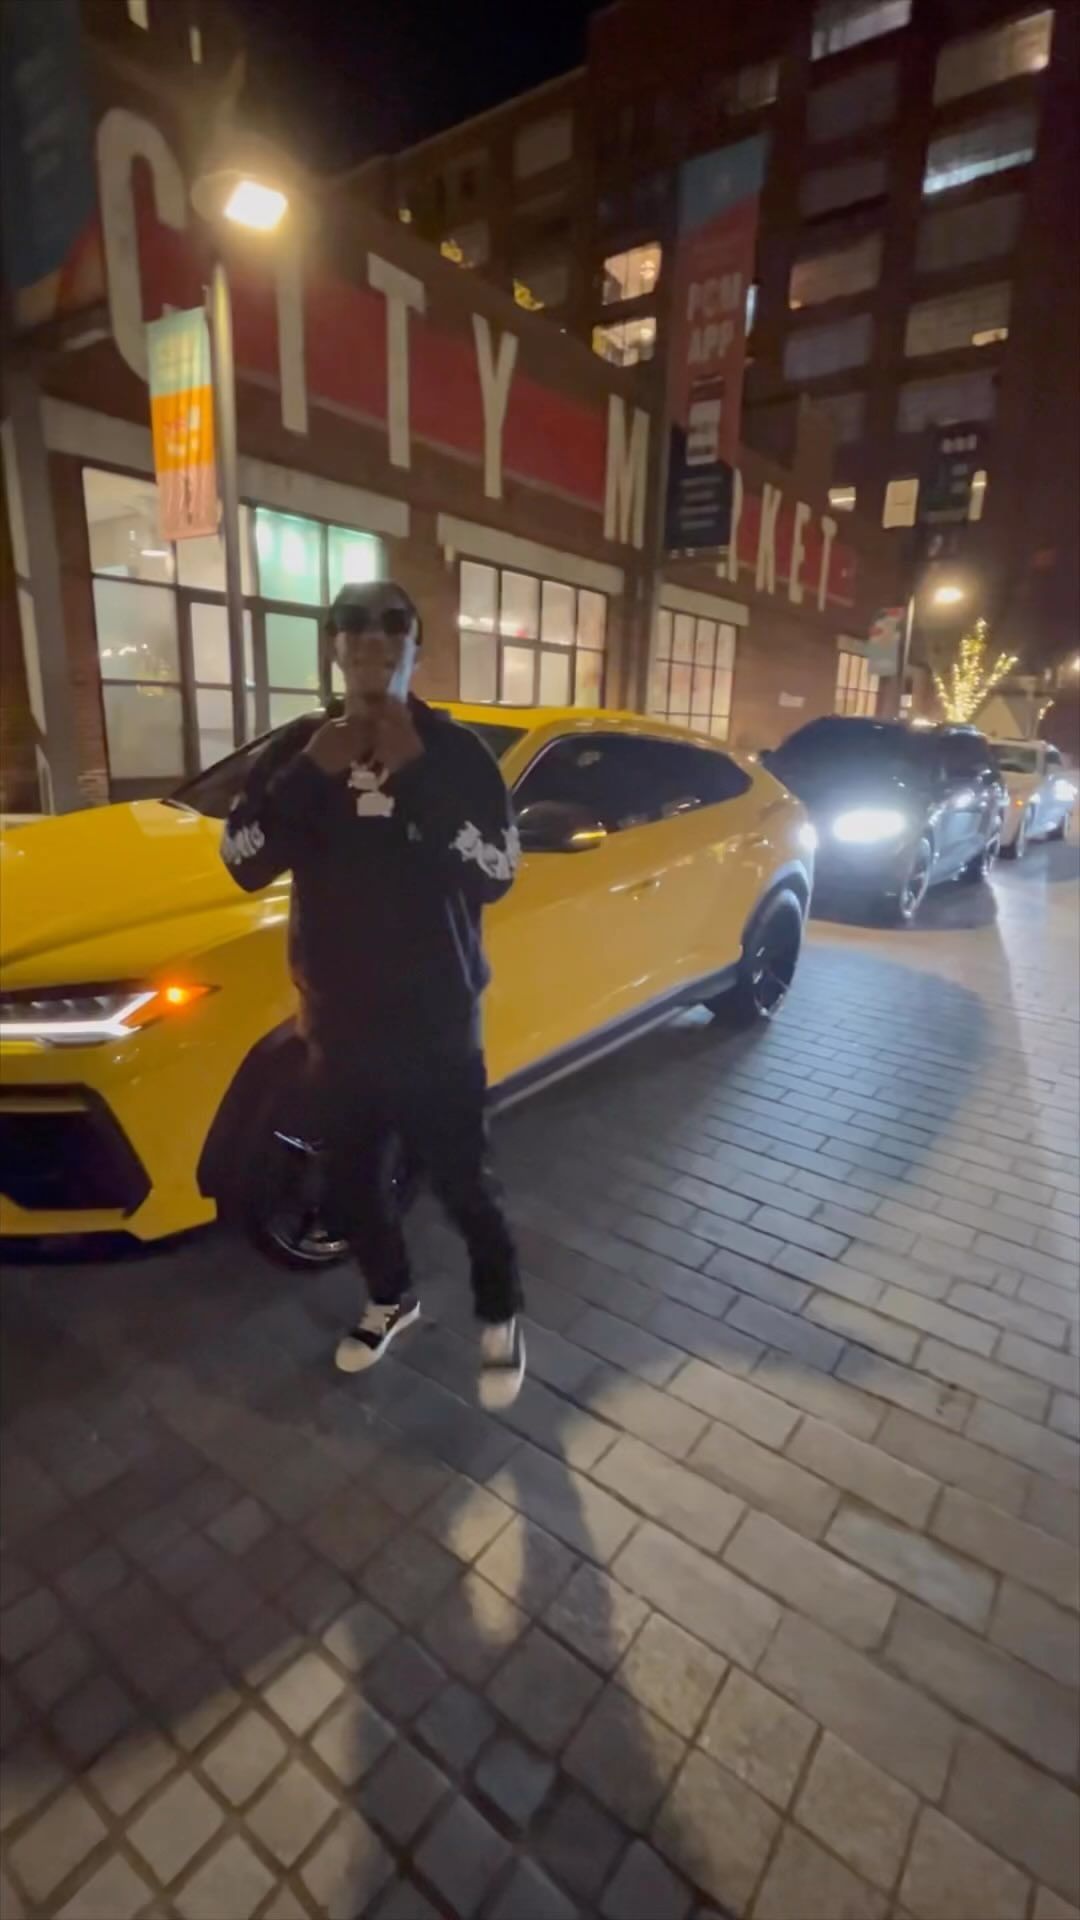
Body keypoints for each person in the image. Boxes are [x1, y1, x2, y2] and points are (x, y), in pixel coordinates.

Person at [220, 580, 525, 1410]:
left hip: (437, 1022)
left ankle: (499, 1311)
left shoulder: (454, 752)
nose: (371, 641)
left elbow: (497, 871)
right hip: (337, 1023)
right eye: (352, 628)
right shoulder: (300, 748)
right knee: (349, 1184)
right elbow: (243, 859)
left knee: (463, 1183)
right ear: (334, 647)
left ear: (415, 648)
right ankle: (391, 1298)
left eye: (393, 627)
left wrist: (416, 771)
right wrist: (311, 773)